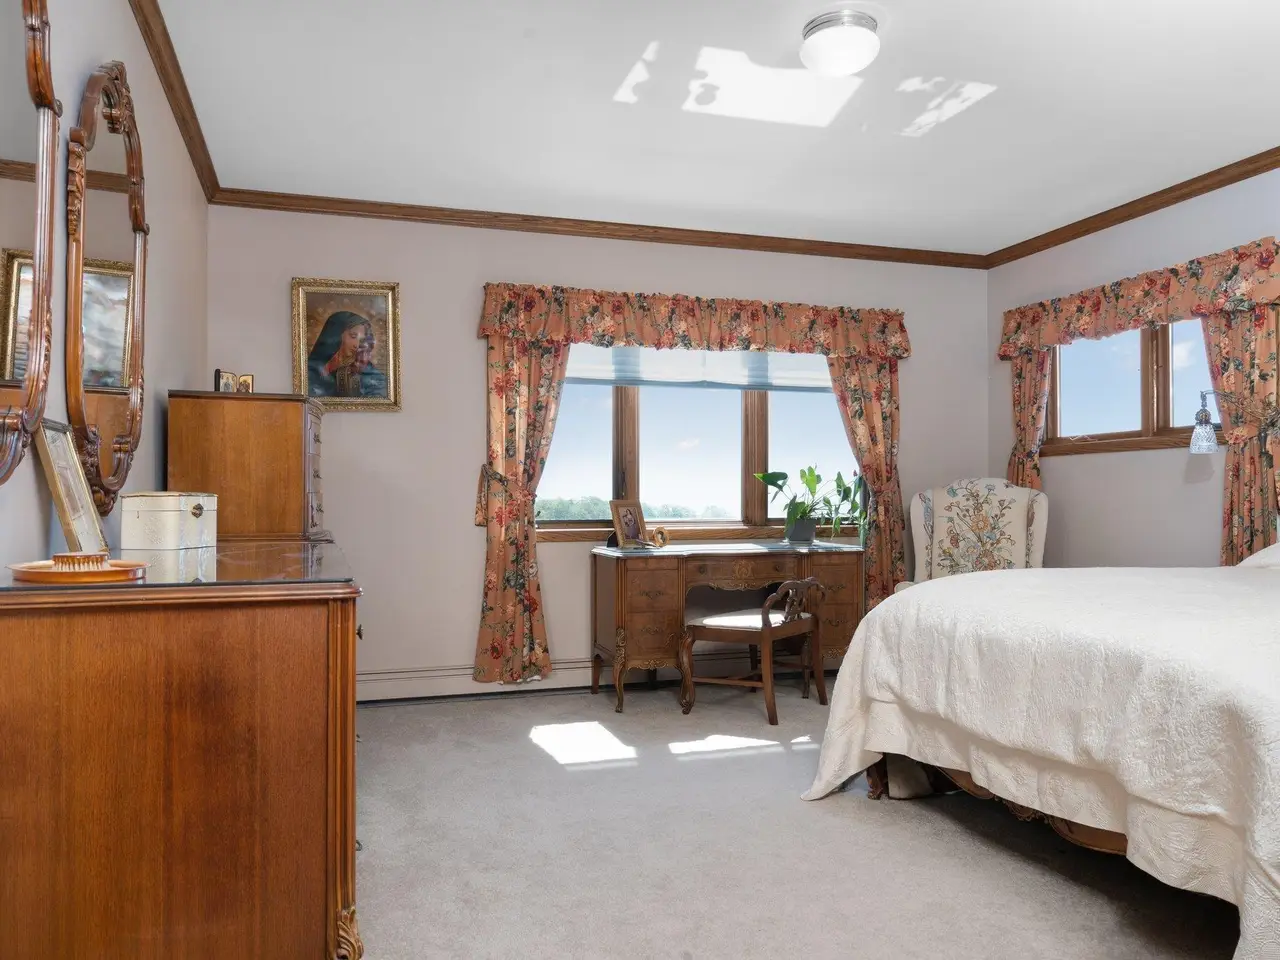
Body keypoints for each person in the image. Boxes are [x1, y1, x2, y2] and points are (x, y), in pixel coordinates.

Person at [306, 310, 387, 398]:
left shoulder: (362, 368)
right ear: (336, 335)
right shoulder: (310, 369)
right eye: (353, 336)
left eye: (361, 340)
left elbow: (379, 389)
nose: (357, 345)